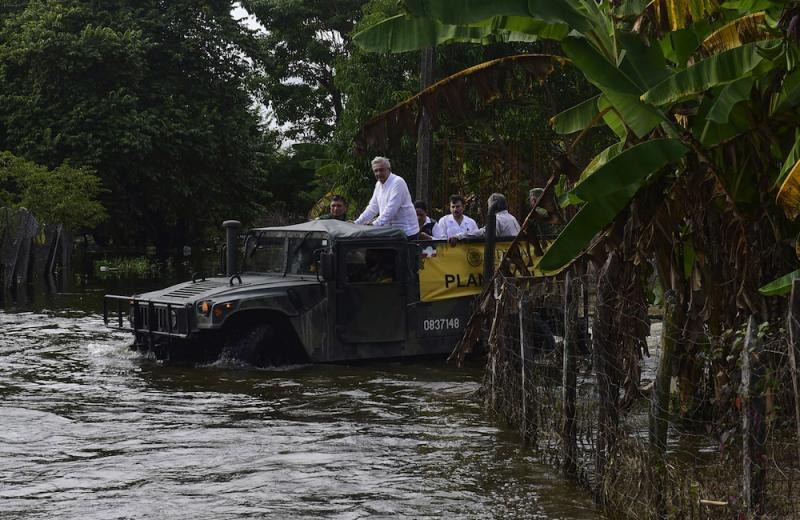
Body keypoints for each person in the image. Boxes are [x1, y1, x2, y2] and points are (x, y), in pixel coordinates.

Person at [354, 156, 420, 238]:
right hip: (391, 232)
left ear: (389, 169)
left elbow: (391, 209)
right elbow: (373, 207)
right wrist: (357, 222)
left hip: (407, 232)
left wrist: (374, 224)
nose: (378, 173)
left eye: (381, 170)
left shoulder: (398, 182)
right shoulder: (378, 184)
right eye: (376, 171)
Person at [448, 192, 520, 245]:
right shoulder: (512, 218)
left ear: (493, 206)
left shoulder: (498, 219)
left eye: (489, 206)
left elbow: (484, 233)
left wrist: (459, 236)